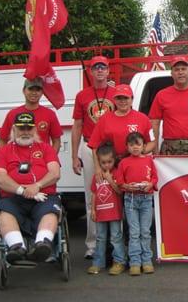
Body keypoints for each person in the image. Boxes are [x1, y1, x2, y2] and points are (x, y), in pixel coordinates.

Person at [0, 112, 61, 263]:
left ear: (35, 130)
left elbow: (55, 173)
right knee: (5, 214)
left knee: (50, 213)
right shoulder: (2, 152)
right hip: (13, 198)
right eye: (21, 128)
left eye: (28, 128)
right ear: (14, 130)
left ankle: (42, 245)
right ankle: (17, 247)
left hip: (44, 196)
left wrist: (37, 186)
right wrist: (22, 190)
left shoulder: (45, 148)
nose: (25, 131)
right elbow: (0, 178)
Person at [72, 55, 115, 259]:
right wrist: (74, 155)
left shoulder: (117, 93)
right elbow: (77, 126)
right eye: (96, 68)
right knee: (93, 198)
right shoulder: (82, 95)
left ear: (108, 71)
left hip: (112, 149)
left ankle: (115, 243)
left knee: (116, 195)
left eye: (103, 67)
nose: (99, 71)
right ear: (90, 71)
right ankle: (93, 245)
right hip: (89, 147)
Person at [149, 56, 188, 155]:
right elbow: (154, 123)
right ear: (172, 73)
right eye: (177, 69)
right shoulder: (161, 95)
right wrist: (155, 150)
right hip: (169, 148)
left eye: (183, 69)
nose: (180, 72)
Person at [116, 132, 158, 276]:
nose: (135, 147)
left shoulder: (149, 160)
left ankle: (146, 261)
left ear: (144, 146)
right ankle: (135, 261)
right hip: (131, 199)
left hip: (146, 199)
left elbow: (154, 177)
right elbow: (119, 181)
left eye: (138, 144)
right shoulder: (123, 163)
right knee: (134, 232)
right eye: (132, 145)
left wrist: (149, 184)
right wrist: (127, 186)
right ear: (127, 147)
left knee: (145, 232)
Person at [87, 84, 155, 172]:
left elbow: (152, 142)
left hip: (135, 165)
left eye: (126, 98)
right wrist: (97, 168)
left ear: (132, 99)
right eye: (119, 98)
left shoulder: (143, 118)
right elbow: (94, 145)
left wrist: (138, 151)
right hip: (112, 167)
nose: (122, 101)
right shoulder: (104, 119)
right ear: (114, 100)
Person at [87, 142, 125, 275]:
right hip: (101, 212)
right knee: (100, 237)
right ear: (99, 162)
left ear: (114, 160)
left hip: (114, 212)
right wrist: (93, 210)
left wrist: (110, 179)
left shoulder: (117, 173)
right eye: (103, 162)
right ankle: (98, 262)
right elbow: (94, 193)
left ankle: (119, 261)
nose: (107, 165)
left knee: (116, 237)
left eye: (109, 161)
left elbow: (120, 191)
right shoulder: (96, 176)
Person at [0, 78, 62, 153]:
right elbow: (2, 141)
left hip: (41, 162)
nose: (34, 93)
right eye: (30, 89)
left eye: (38, 90)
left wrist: (50, 160)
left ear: (42, 92)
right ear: (24, 91)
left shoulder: (50, 114)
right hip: (17, 162)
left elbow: (56, 142)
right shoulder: (13, 114)